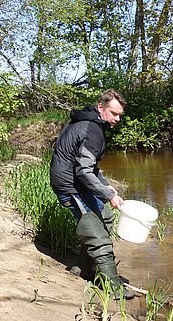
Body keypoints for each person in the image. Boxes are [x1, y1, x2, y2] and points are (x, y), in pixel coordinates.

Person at [50, 89, 135, 299]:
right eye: (113, 113)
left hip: (77, 181)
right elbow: (83, 171)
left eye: (119, 115)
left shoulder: (90, 124)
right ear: (100, 107)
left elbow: (88, 166)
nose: (117, 119)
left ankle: (83, 269)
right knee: (95, 231)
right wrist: (109, 196)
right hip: (68, 186)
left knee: (105, 217)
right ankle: (113, 287)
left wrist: (106, 186)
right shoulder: (92, 130)